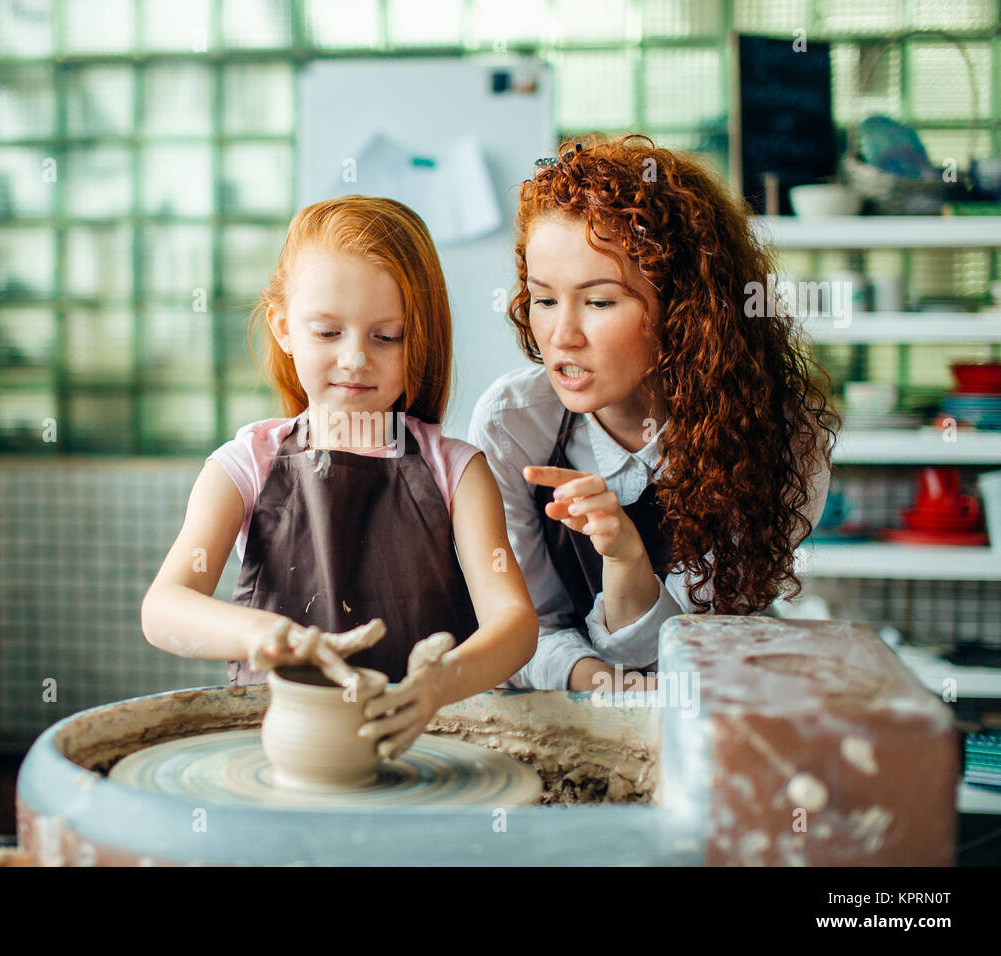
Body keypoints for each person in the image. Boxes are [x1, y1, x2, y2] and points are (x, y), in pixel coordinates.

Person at [142, 195, 538, 758]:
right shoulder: (244, 467)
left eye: (387, 336)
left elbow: (516, 625)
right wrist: (268, 636)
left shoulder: (458, 471)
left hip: (429, 749)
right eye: (328, 332)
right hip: (282, 752)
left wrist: (440, 684)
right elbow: (163, 609)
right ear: (283, 328)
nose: (355, 359)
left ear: (420, 336)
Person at [469, 135, 837, 692]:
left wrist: (625, 559)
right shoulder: (512, 422)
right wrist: (595, 681)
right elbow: (522, 629)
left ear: (687, 310)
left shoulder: (781, 439)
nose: (561, 336)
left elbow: (687, 648)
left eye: (599, 301)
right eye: (544, 299)